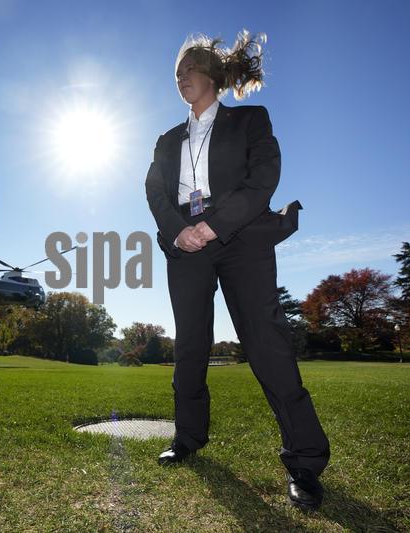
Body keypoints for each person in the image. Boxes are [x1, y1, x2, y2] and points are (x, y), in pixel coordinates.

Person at [144, 30, 331, 511]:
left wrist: (213, 226)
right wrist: (179, 232)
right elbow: (154, 192)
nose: (180, 79)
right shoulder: (166, 140)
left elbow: (264, 178)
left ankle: (306, 462)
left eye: (188, 70)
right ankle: (188, 438)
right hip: (186, 248)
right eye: (176, 74)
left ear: (211, 75)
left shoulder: (251, 120)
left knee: (265, 343)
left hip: (240, 240)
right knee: (189, 345)